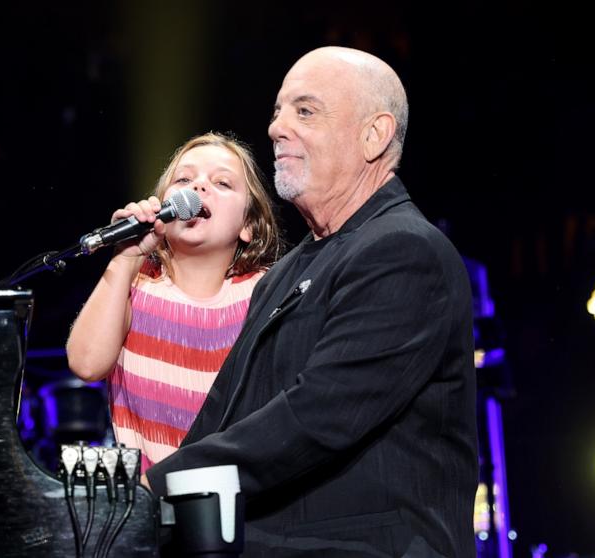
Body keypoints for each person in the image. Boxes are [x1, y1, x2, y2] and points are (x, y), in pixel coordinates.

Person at [146, 47, 478, 557]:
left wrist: (156, 488)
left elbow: (319, 417)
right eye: (278, 111)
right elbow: (222, 417)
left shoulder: (405, 252)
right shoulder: (283, 275)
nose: (277, 128)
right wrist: (139, 502)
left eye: (305, 111)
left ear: (375, 135)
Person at [66, 132, 283, 471]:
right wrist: (125, 258)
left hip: (240, 506)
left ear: (249, 226)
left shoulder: (264, 293)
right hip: (151, 507)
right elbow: (87, 363)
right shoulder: (135, 287)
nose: (197, 187)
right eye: (184, 179)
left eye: (222, 183)